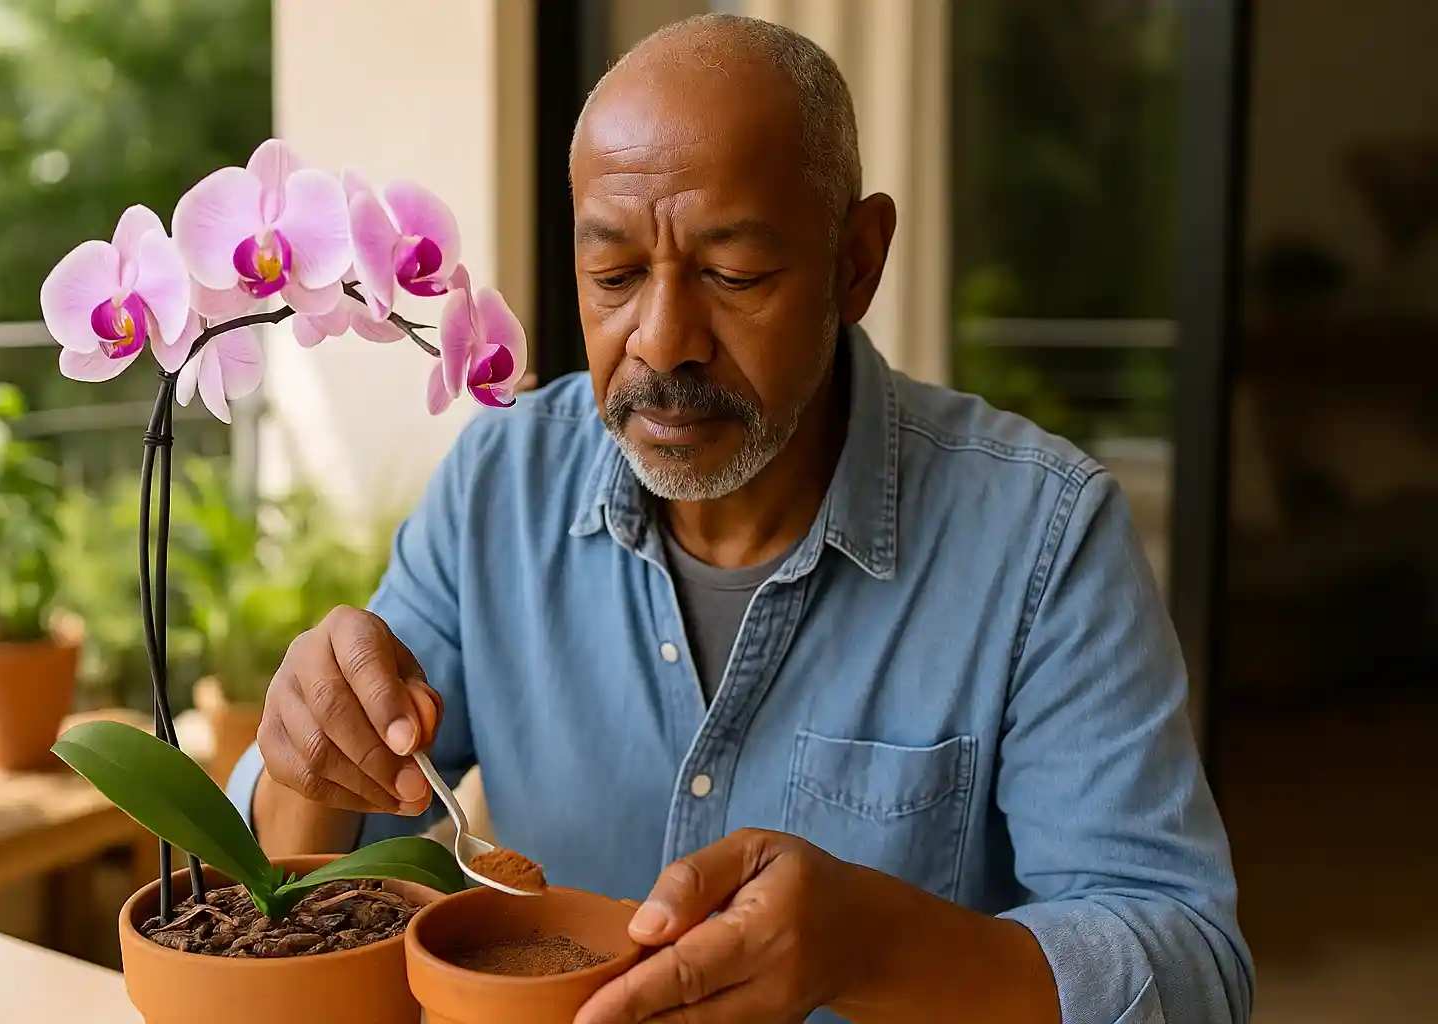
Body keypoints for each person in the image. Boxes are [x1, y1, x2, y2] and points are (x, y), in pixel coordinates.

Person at [227, 13, 1252, 1023]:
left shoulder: (1042, 536)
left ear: (858, 262)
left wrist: (870, 944)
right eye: (615, 275)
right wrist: (306, 753)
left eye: (734, 274)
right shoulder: (500, 484)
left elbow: (1191, 968)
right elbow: (304, 876)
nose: (664, 341)